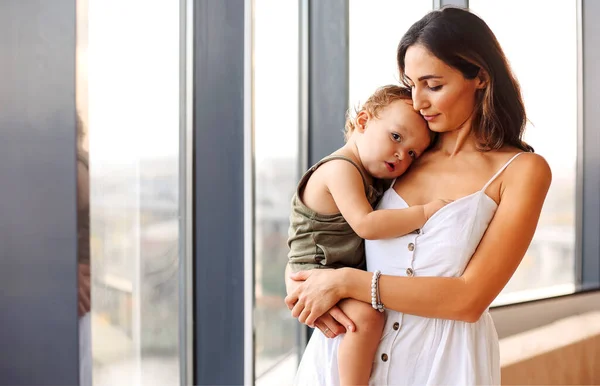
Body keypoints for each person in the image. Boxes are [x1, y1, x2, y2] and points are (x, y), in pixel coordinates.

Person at [285, 6, 552, 385]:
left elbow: (468, 300)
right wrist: (299, 280)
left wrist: (346, 283)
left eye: (433, 85)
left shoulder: (523, 171)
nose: (418, 101)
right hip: (343, 359)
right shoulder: (400, 152)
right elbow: (321, 221)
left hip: (442, 364)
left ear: (479, 77)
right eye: (411, 84)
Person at [287, 84, 449, 386]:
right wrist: (424, 213)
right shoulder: (341, 169)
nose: (402, 155)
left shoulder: (372, 173)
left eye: (412, 153)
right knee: (367, 318)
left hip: (334, 270)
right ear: (363, 122)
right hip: (314, 272)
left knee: (368, 317)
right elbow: (367, 224)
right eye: (396, 137)